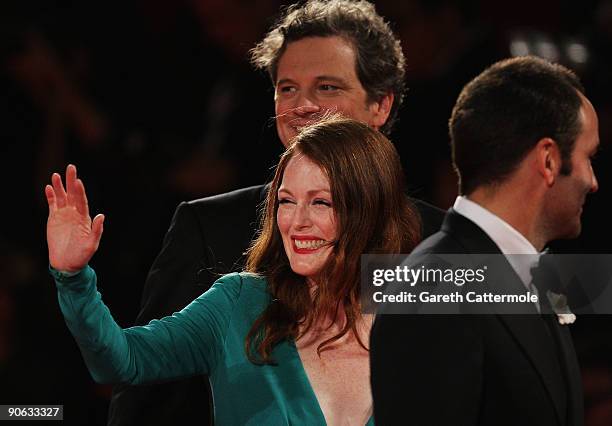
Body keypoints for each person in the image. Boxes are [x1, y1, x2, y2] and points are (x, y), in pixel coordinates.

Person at [108, 1, 445, 425]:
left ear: (380, 105)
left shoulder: (440, 239)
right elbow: (146, 395)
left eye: (327, 87)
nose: (302, 105)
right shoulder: (209, 228)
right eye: (287, 88)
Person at [46, 117, 421, 425]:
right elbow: (122, 360)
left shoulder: (416, 297)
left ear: (368, 212)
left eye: (321, 202)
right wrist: (74, 277)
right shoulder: (240, 302)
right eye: (286, 201)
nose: (296, 222)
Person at [370, 56, 599, 426]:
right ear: (549, 160)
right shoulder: (431, 289)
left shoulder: (534, 273)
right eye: (589, 157)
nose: (593, 180)